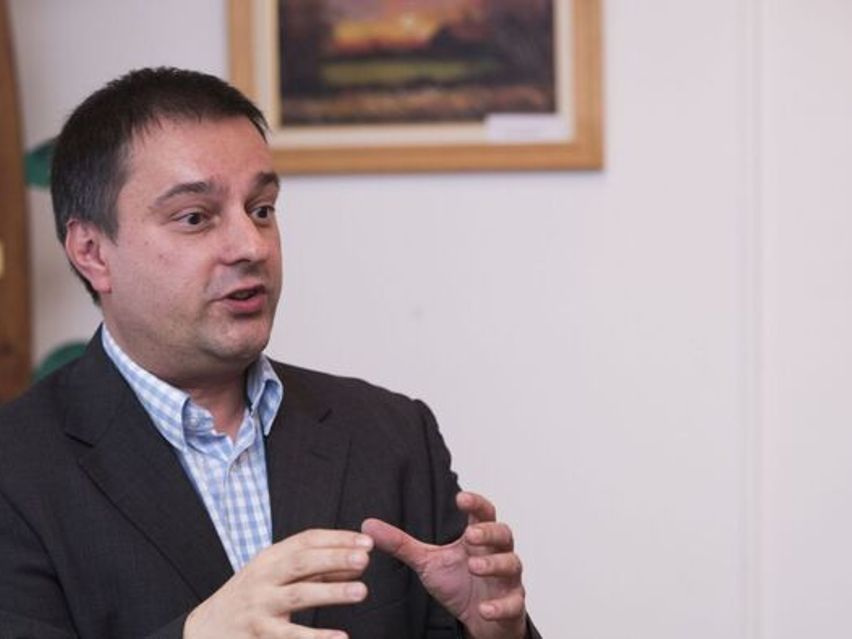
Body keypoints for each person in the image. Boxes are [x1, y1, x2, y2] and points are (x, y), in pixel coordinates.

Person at [0, 67, 540, 639]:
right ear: (92, 252)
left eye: (261, 209)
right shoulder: (16, 468)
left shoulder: (393, 435)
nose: (250, 246)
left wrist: (493, 633)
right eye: (195, 217)